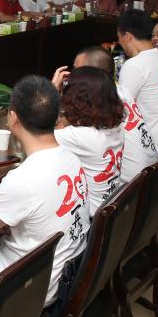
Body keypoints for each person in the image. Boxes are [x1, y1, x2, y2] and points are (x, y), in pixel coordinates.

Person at [0, 75, 88, 315]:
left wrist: (2, 222)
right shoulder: (72, 158)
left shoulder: (24, 178)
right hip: (65, 274)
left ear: (13, 118)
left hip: (28, 288)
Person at [116, 10, 158, 183]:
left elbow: (119, 112)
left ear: (127, 36)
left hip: (153, 149)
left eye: (119, 37)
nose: (119, 42)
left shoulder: (134, 65)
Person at [56, 66, 126, 216]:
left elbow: (35, 133)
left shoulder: (80, 136)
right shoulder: (117, 126)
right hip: (112, 209)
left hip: (91, 217)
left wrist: (53, 90)